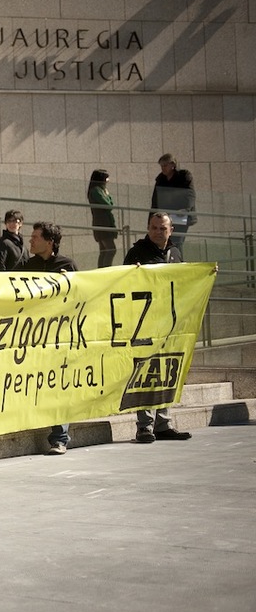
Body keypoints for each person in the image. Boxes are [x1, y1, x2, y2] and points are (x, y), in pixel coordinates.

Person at [123, 212, 192, 444]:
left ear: (170, 230)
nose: (158, 232)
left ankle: (163, 423)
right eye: (153, 228)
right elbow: (124, 283)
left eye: (162, 228)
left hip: (170, 322)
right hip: (144, 324)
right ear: (147, 229)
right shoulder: (137, 252)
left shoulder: (176, 253)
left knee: (166, 371)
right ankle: (145, 426)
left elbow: (184, 282)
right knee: (145, 373)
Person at [17, 221, 78, 454]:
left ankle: (60, 438)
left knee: (59, 386)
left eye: (35, 237)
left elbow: (81, 296)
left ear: (49, 242)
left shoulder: (67, 265)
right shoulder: (27, 266)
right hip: (32, 337)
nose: (30, 240)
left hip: (59, 337)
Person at [151, 153, 196, 253]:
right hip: (165, 216)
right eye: (161, 166)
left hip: (181, 216)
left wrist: (185, 210)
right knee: (165, 243)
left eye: (165, 166)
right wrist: (151, 218)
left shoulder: (184, 176)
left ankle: (177, 262)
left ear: (172, 165)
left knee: (176, 243)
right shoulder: (161, 179)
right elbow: (155, 200)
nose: (163, 168)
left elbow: (190, 194)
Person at [88, 169, 117, 268]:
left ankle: (101, 270)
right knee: (110, 249)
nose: (108, 180)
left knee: (104, 250)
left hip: (102, 222)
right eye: (106, 178)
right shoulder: (96, 190)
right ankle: (106, 270)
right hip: (102, 222)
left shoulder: (98, 190)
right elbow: (108, 205)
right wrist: (108, 195)